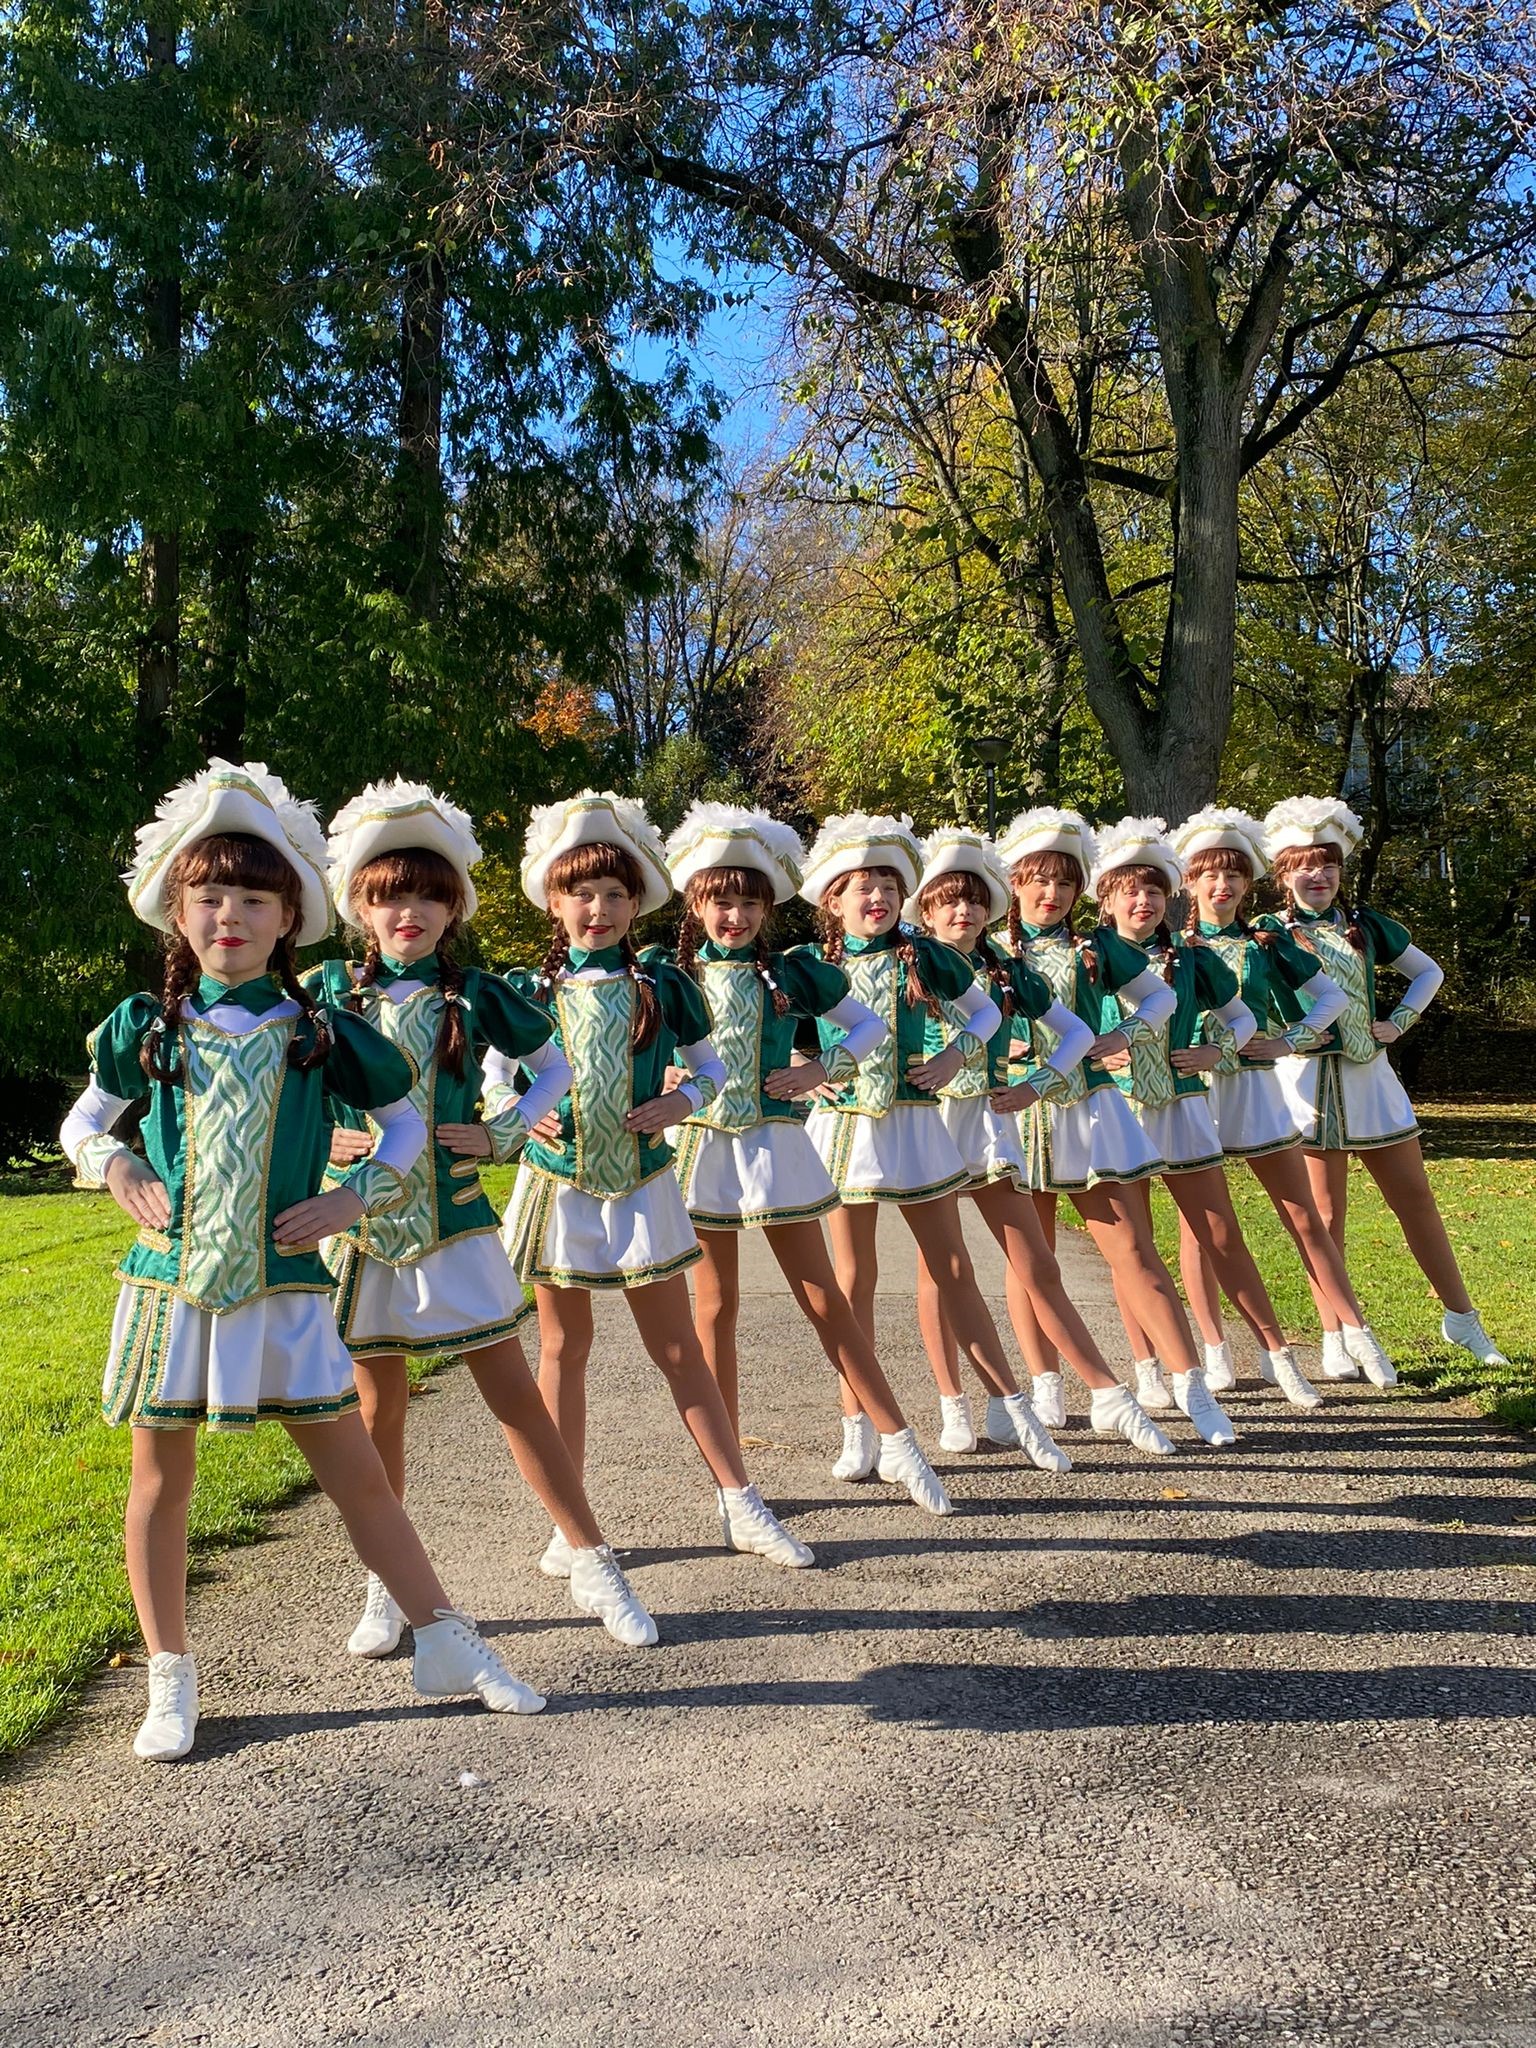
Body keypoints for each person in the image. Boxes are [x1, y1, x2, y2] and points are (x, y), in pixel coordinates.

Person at [60, 760, 544, 1761]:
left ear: (291, 917)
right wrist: (113, 1167)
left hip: (284, 1290)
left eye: (252, 897)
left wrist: (347, 1195)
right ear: (176, 913)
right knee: (160, 1483)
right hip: (171, 1288)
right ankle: (170, 1679)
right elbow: (83, 1124)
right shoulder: (145, 1028)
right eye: (208, 897)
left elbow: (404, 1130)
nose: (227, 914)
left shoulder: (326, 1032)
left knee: (358, 1473)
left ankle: (448, 1639)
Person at [311, 778, 657, 1653]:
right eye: (390, 897)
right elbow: (290, 1096)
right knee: (375, 1407)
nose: (410, 914)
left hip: (457, 1221)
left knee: (514, 1396)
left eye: (430, 895)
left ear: (454, 906)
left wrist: (504, 1133)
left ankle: (588, 1554)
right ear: (358, 905)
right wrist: (327, 1143)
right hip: (363, 1231)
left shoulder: (478, 994)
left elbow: (555, 1068)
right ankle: (387, 1585)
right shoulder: (327, 996)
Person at [500, 790, 816, 1570]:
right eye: (582, 894)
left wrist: (677, 1099)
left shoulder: (664, 986)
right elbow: (493, 1079)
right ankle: (566, 1522)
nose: (598, 908)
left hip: (642, 1181)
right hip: (558, 1186)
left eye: (615, 894)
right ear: (553, 900)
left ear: (637, 902)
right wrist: (516, 1110)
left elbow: (710, 1075)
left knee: (678, 1348)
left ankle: (740, 1501)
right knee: (561, 1347)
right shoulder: (524, 991)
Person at [663, 801, 951, 1513]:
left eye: (748, 903)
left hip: (775, 1142)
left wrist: (821, 1068)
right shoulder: (666, 976)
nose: (735, 916)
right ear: (696, 903)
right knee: (714, 1305)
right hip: (699, 1147)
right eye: (721, 901)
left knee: (824, 1297)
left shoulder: (790, 971)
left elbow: (866, 1027)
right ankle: (729, 1478)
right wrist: (666, 1076)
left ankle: (898, 1438)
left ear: (769, 907)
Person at [797, 812, 1071, 1474]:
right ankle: (857, 1425)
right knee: (851, 1279)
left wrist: (955, 1057)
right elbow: (780, 1042)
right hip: (845, 1131)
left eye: (890, 885)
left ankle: (1011, 1406)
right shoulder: (807, 967)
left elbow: (984, 1012)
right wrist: (810, 1084)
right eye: (861, 886)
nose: (877, 898)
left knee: (952, 1269)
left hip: (918, 1122)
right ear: (832, 900)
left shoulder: (926, 956)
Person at [905, 828, 1176, 1456]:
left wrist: (1039, 1085)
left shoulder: (1008, 971)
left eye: (975, 900)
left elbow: (1077, 1033)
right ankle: (956, 1405)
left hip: (991, 1121)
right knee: (938, 1271)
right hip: (926, 1124)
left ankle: (1106, 1394)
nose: (963, 911)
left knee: (1037, 1264)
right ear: (925, 909)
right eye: (948, 900)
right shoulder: (905, 966)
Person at [996, 806, 1236, 1447]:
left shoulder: (1095, 946)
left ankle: (1191, 1386)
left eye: (1066, 884)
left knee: (1133, 1250)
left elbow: (1161, 999)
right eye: (1039, 881)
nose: (1051, 895)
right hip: (1016, 1112)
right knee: (1029, 1259)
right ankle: (1046, 1381)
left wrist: (1115, 1038)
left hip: (1089, 1108)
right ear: (1014, 883)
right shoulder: (987, 951)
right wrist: (997, 1050)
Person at [1260, 796, 1508, 1373]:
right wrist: (1289, 1034)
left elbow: (1428, 972)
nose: (1317, 874)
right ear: (1283, 872)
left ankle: (1462, 1319)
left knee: (1417, 1201)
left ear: (1341, 869)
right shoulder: (1267, 934)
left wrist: (1398, 1021)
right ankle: (1334, 1334)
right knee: (1323, 1216)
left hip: (1371, 1080)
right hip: (1305, 1086)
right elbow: (1241, 1000)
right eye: (1303, 864)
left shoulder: (1365, 925)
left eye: (1327, 863)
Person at [1089, 817, 1322, 1411]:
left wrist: (1218, 1050)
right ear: (1106, 898)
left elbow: (1243, 1018)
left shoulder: (1191, 957)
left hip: (1184, 1106)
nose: (1143, 902)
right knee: (1132, 1249)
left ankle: (1278, 1358)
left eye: (1154, 891)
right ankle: (1148, 1368)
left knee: (1221, 1233)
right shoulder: (1084, 960)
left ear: (1170, 897)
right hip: (1115, 1113)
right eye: (1129, 891)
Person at [1169, 806, 1396, 1390]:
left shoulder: (1268, 942)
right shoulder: (1170, 950)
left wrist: (1286, 1042)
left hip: (1256, 1087)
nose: (1223, 887)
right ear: (1189, 882)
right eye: (1209, 875)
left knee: (1303, 1216)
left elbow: (1332, 1000)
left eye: (1235, 876)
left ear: (1249, 883)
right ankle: (1215, 1347)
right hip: (1193, 1092)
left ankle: (1355, 1330)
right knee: (1199, 1227)